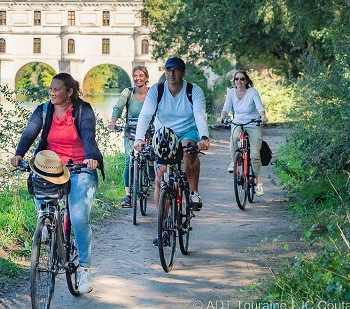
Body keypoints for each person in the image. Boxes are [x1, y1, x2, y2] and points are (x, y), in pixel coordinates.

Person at [10, 72, 105, 295]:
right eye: (50, 89)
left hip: (80, 167)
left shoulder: (82, 110)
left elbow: (89, 136)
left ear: (69, 92)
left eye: (57, 89)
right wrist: (19, 154)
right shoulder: (44, 110)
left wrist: (91, 158)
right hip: (51, 166)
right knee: (36, 181)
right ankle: (45, 221)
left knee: (79, 217)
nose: (52, 93)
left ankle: (84, 270)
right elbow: (29, 133)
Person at [133, 57, 209, 216]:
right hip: (164, 135)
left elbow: (199, 114)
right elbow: (146, 114)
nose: (171, 74)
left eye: (176, 70)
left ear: (183, 73)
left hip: (187, 131)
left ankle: (193, 193)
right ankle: (163, 223)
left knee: (190, 150)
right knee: (160, 179)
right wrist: (139, 138)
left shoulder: (193, 90)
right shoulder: (157, 90)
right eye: (168, 70)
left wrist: (204, 138)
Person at [218, 70, 268, 196]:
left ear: (246, 81)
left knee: (255, 154)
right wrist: (222, 117)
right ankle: (233, 162)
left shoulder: (252, 92)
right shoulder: (231, 92)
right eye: (237, 79)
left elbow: (259, 106)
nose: (239, 81)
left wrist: (263, 116)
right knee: (233, 140)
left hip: (253, 123)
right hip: (238, 123)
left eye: (242, 79)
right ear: (234, 82)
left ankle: (258, 183)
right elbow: (226, 108)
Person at [108, 66, 150, 208]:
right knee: (128, 161)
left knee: (151, 156)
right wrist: (113, 121)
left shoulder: (152, 93)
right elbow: (118, 107)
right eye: (135, 76)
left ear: (146, 78)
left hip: (148, 131)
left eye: (141, 75)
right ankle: (128, 195)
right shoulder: (128, 92)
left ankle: (151, 172)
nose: (138, 78)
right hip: (131, 131)